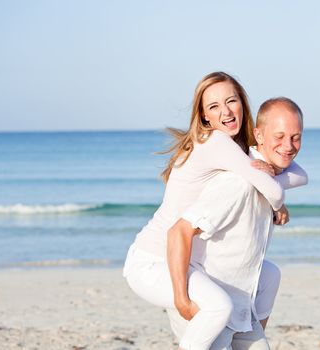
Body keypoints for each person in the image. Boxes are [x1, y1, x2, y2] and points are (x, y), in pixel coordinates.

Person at [123, 72, 308, 350]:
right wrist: (277, 203)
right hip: (159, 257)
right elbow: (270, 188)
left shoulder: (236, 150)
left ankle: (247, 332)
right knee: (218, 308)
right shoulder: (216, 143)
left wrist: (271, 188)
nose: (225, 111)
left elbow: (298, 175)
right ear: (204, 116)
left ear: (243, 104)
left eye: (231, 101)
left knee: (268, 275)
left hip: (190, 258)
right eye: (213, 106)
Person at [166, 97, 304, 350]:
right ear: (258, 135)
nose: (289, 146)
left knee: (271, 273)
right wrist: (182, 300)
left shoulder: (269, 181)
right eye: (280, 136)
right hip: (210, 307)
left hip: (241, 309)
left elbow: (297, 176)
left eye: (296, 137)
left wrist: (278, 205)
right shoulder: (238, 183)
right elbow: (179, 231)